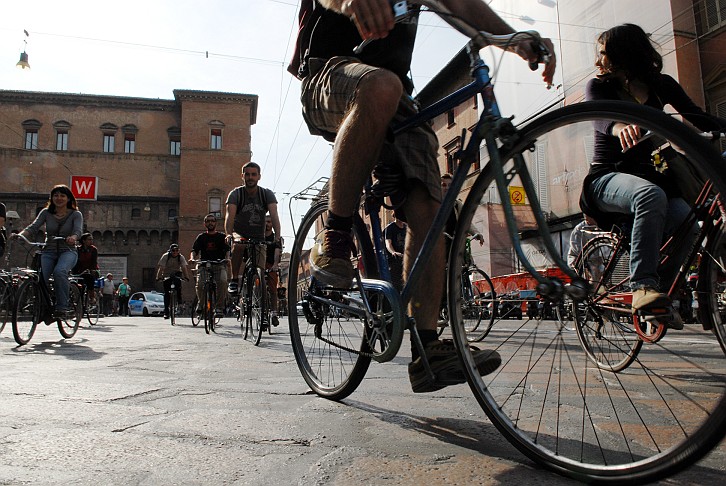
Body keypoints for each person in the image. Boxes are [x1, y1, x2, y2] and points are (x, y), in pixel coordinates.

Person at [288, 0, 555, 392]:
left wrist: (513, 40)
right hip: (328, 74)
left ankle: (427, 349)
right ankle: (336, 238)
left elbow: (461, 4)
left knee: (430, 206)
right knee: (381, 85)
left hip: (395, 98)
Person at [581, 23, 726, 327]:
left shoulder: (662, 85)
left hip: (654, 178)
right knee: (650, 195)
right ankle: (643, 288)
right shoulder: (599, 87)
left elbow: (698, 118)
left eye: (606, 53)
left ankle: (661, 297)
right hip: (607, 178)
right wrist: (620, 127)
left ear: (626, 54)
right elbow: (600, 117)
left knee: (688, 221)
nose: (600, 59)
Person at [12, 185, 83, 317]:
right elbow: (33, 227)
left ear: (68, 198)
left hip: (68, 250)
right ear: (51, 198)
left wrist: (73, 237)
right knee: (40, 278)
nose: (59, 198)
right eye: (56, 195)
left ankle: (62, 306)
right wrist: (21, 235)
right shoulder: (46, 212)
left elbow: (78, 230)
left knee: (59, 271)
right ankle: (42, 306)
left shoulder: (75, 214)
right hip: (48, 250)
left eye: (62, 195)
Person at [224, 162, 282, 291]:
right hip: (239, 233)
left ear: (259, 176)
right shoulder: (235, 194)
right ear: (242, 176)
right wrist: (229, 234)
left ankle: (257, 296)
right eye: (248, 174)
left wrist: (277, 237)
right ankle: (234, 279)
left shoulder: (266, 194)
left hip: (258, 236)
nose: (250, 177)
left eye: (254, 175)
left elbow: (274, 216)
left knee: (260, 271)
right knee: (239, 245)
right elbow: (229, 217)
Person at [190, 214, 231, 318]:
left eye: (212, 221)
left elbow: (227, 250)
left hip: (219, 265)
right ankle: (201, 303)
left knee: (222, 281)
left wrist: (227, 259)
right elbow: (194, 250)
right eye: (208, 221)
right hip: (204, 265)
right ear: (205, 224)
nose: (210, 223)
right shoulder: (201, 237)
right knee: (200, 285)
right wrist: (192, 258)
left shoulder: (222, 237)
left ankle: (219, 308)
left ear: (216, 223)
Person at [156, 243, 191, 319]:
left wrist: (186, 277)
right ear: (170, 251)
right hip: (167, 274)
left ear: (178, 251)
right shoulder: (165, 256)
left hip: (177, 274)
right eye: (173, 251)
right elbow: (161, 268)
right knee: (166, 293)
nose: (175, 252)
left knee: (178, 286)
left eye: (176, 250)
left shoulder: (180, 257)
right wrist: (158, 277)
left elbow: (184, 267)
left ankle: (179, 302)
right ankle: (166, 311)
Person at [264, 215, 283, 327]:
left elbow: (277, 252)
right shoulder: (259, 236)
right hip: (260, 265)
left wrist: (275, 265)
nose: (267, 224)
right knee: (258, 287)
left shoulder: (276, 238)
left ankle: (274, 313)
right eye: (266, 222)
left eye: (270, 222)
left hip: (271, 264)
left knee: (273, 290)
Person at [73, 233, 100, 305]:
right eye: (89, 239)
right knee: (77, 282)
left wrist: (92, 269)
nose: (91, 241)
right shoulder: (78, 249)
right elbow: (76, 261)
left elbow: (94, 261)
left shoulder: (93, 249)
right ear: (84, 241)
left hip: (90, 270)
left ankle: (92, 296)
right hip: (80, 270)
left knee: (89, 278)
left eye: (92, 239)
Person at [384, 217, 406, 291]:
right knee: (395, 283)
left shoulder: (406, 228)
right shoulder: (390, 228)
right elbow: (388, 243)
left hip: (405, 259)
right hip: (394, 260)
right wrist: (393, 252)